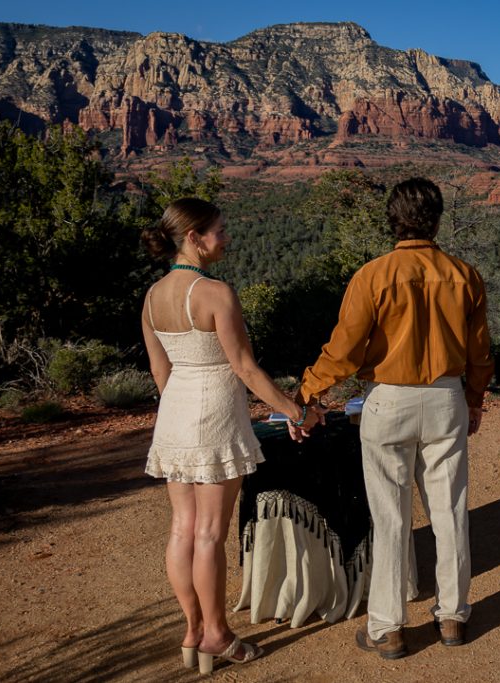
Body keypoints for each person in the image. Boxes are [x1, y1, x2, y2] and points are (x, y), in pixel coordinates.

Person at [293, 177, 494, 659]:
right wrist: (474, 398)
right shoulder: (464, 274)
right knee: (449, 512)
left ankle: (388, 627)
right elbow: (480, 352)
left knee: (389, 518)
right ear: (437, 218)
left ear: (393, 219)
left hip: (389, 400)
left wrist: (306, 393)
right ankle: (452, 617)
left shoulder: (373, 275)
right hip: (446, 398)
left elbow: (342, 351)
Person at [140, 198, 323, 675]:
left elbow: (160, 370)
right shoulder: (214, 292)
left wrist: (177, 412)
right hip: (213, 414)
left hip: (175, 413)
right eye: (220, 230)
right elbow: (244, 367)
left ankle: (192, 630)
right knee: (209, 533)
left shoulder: (153, 295)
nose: (227, 237)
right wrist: (295, 411)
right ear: (194, 237)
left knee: (182, 528)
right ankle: (217, 634)